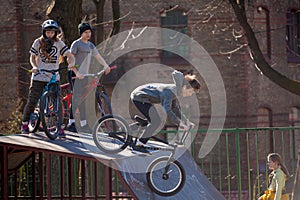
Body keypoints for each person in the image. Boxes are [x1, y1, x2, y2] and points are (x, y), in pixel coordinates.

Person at [21, 19, 82, 137]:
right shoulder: (37, 42)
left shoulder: (59, 44)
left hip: (54, 76)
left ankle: (60, 127)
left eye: (52, 32)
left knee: (58, 101)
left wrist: (71, 63)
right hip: (39, 75)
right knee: (32, 100)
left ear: (55, 32)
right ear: (44, 32)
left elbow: (69, 55)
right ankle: (24, 122)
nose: (50, 34)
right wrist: (34, 67)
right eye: (48, 32)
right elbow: (32, 57)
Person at [130, 70, 201, 153]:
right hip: (139, 97)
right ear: (185, 87)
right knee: (156, 121)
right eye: (190, 91)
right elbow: (167, 110)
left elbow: (175, 109)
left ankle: (129, 128)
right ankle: (139, 144)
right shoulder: (170, 92)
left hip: (144, 98)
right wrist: (179, 123)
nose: (190, 94)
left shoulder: (175, 91)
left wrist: (186, 121)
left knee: (152, 120)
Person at [67, 22, 110, 133]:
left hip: (85, 75)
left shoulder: (90, 45)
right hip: (74, 74)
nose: (88, 34)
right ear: (81, 33)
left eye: (89, 32)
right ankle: (71, 123)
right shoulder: (76, 44)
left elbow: (98, 57)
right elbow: (70, 59)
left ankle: (84, 124)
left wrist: (105, 65)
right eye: (86, 32)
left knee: (84, 99)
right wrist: (76, 72)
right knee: (76, 98)